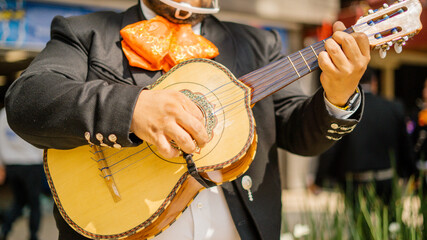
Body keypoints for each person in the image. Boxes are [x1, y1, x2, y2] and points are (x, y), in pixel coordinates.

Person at [4, 0, 370, 239]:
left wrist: (337, 96)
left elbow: (300, 135)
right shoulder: (86, 32)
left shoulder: (259, 45)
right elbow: (27, 102)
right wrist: (131, 109)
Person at [313, 68, 417, 203]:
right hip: (386, 181)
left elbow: (331, 147)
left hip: (355, 185)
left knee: (358, 223)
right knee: (389, 223)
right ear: (374, 82)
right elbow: (405, 145)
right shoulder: (393, 108)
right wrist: (413, 174)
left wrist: (319, 180)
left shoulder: (345, 112)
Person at [0, 108, 44, 240]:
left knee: (19, 202)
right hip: (31, 164)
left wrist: (1, 164)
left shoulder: (3, 114)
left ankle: (5, 228)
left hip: (12, 164)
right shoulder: (29, 109)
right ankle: (33, 235)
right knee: (34, 203)